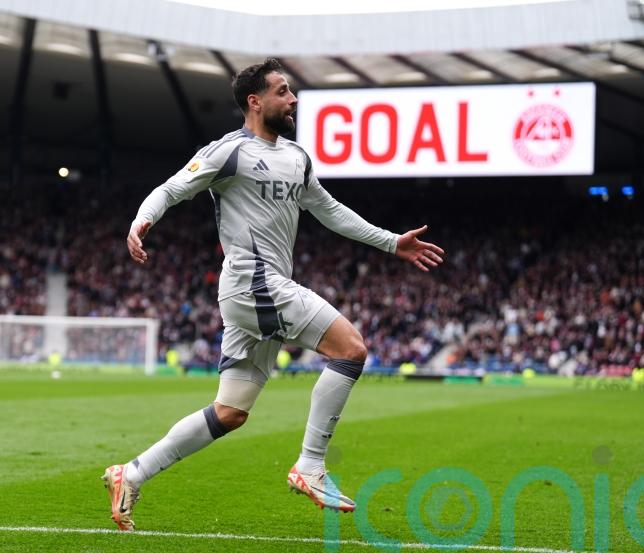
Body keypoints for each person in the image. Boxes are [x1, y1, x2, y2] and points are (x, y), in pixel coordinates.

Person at [102, 58, 444, 531]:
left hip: (259, 291)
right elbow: (172, 188)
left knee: (230, 412)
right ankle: (310, 465)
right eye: (283, 91)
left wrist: (391, 242)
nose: (294, 99)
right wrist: (142, 220)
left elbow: (330, 210)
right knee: (351, 349)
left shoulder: (297, 157)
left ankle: (131, 473)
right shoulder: (229, 152)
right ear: (255, 101)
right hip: (253, 283)